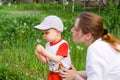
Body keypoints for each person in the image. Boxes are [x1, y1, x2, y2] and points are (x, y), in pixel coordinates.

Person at [60, 12, 120, 80]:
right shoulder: (104, 42)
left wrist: (75, 77)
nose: (71, 30)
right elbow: (94, 73)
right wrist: (75, 73)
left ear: (88, 36)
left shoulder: (95, 49)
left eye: (76, 29)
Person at [33, 15, 71, 80]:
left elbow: (57, 59)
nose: (44, 36)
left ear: (58, 32)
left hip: (65, 74)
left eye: (46, 33)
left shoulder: (63, 44)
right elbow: (45, 61)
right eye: (43, 33)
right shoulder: (47, 45)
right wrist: (39, 55)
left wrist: (43, 51)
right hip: (53, 73)